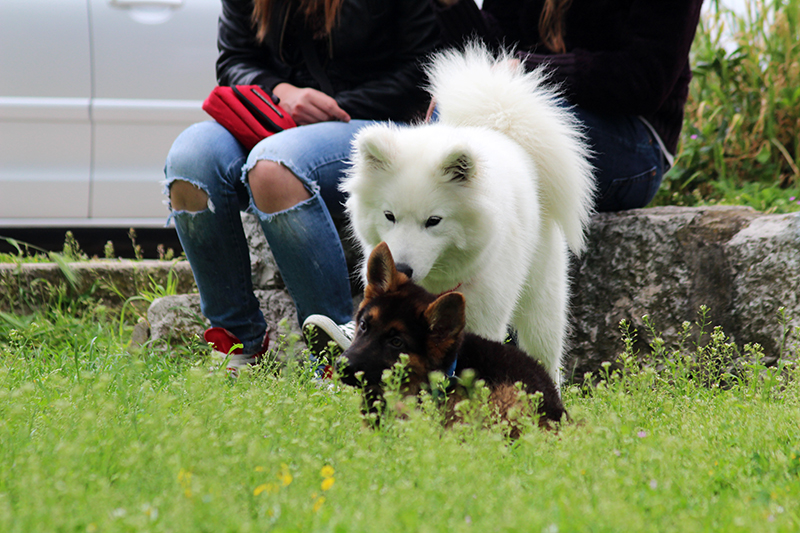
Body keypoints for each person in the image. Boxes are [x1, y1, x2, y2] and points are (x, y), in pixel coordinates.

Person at [164, 0, 439, 372]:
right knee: (190, 159)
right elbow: (233, 61)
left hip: (373, 124)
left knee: (272, 168)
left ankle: (336, 351)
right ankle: (237, 341)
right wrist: (282, 93)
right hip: (273, 117)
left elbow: (421, 72)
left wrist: (330, 107)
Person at [431, 0, 704, 212]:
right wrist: (454, 6)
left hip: (635, 138)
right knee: (452, 120)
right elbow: (494, 52)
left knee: (481, 140)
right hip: (529, 106)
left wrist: (528, 69)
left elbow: (644, 80)